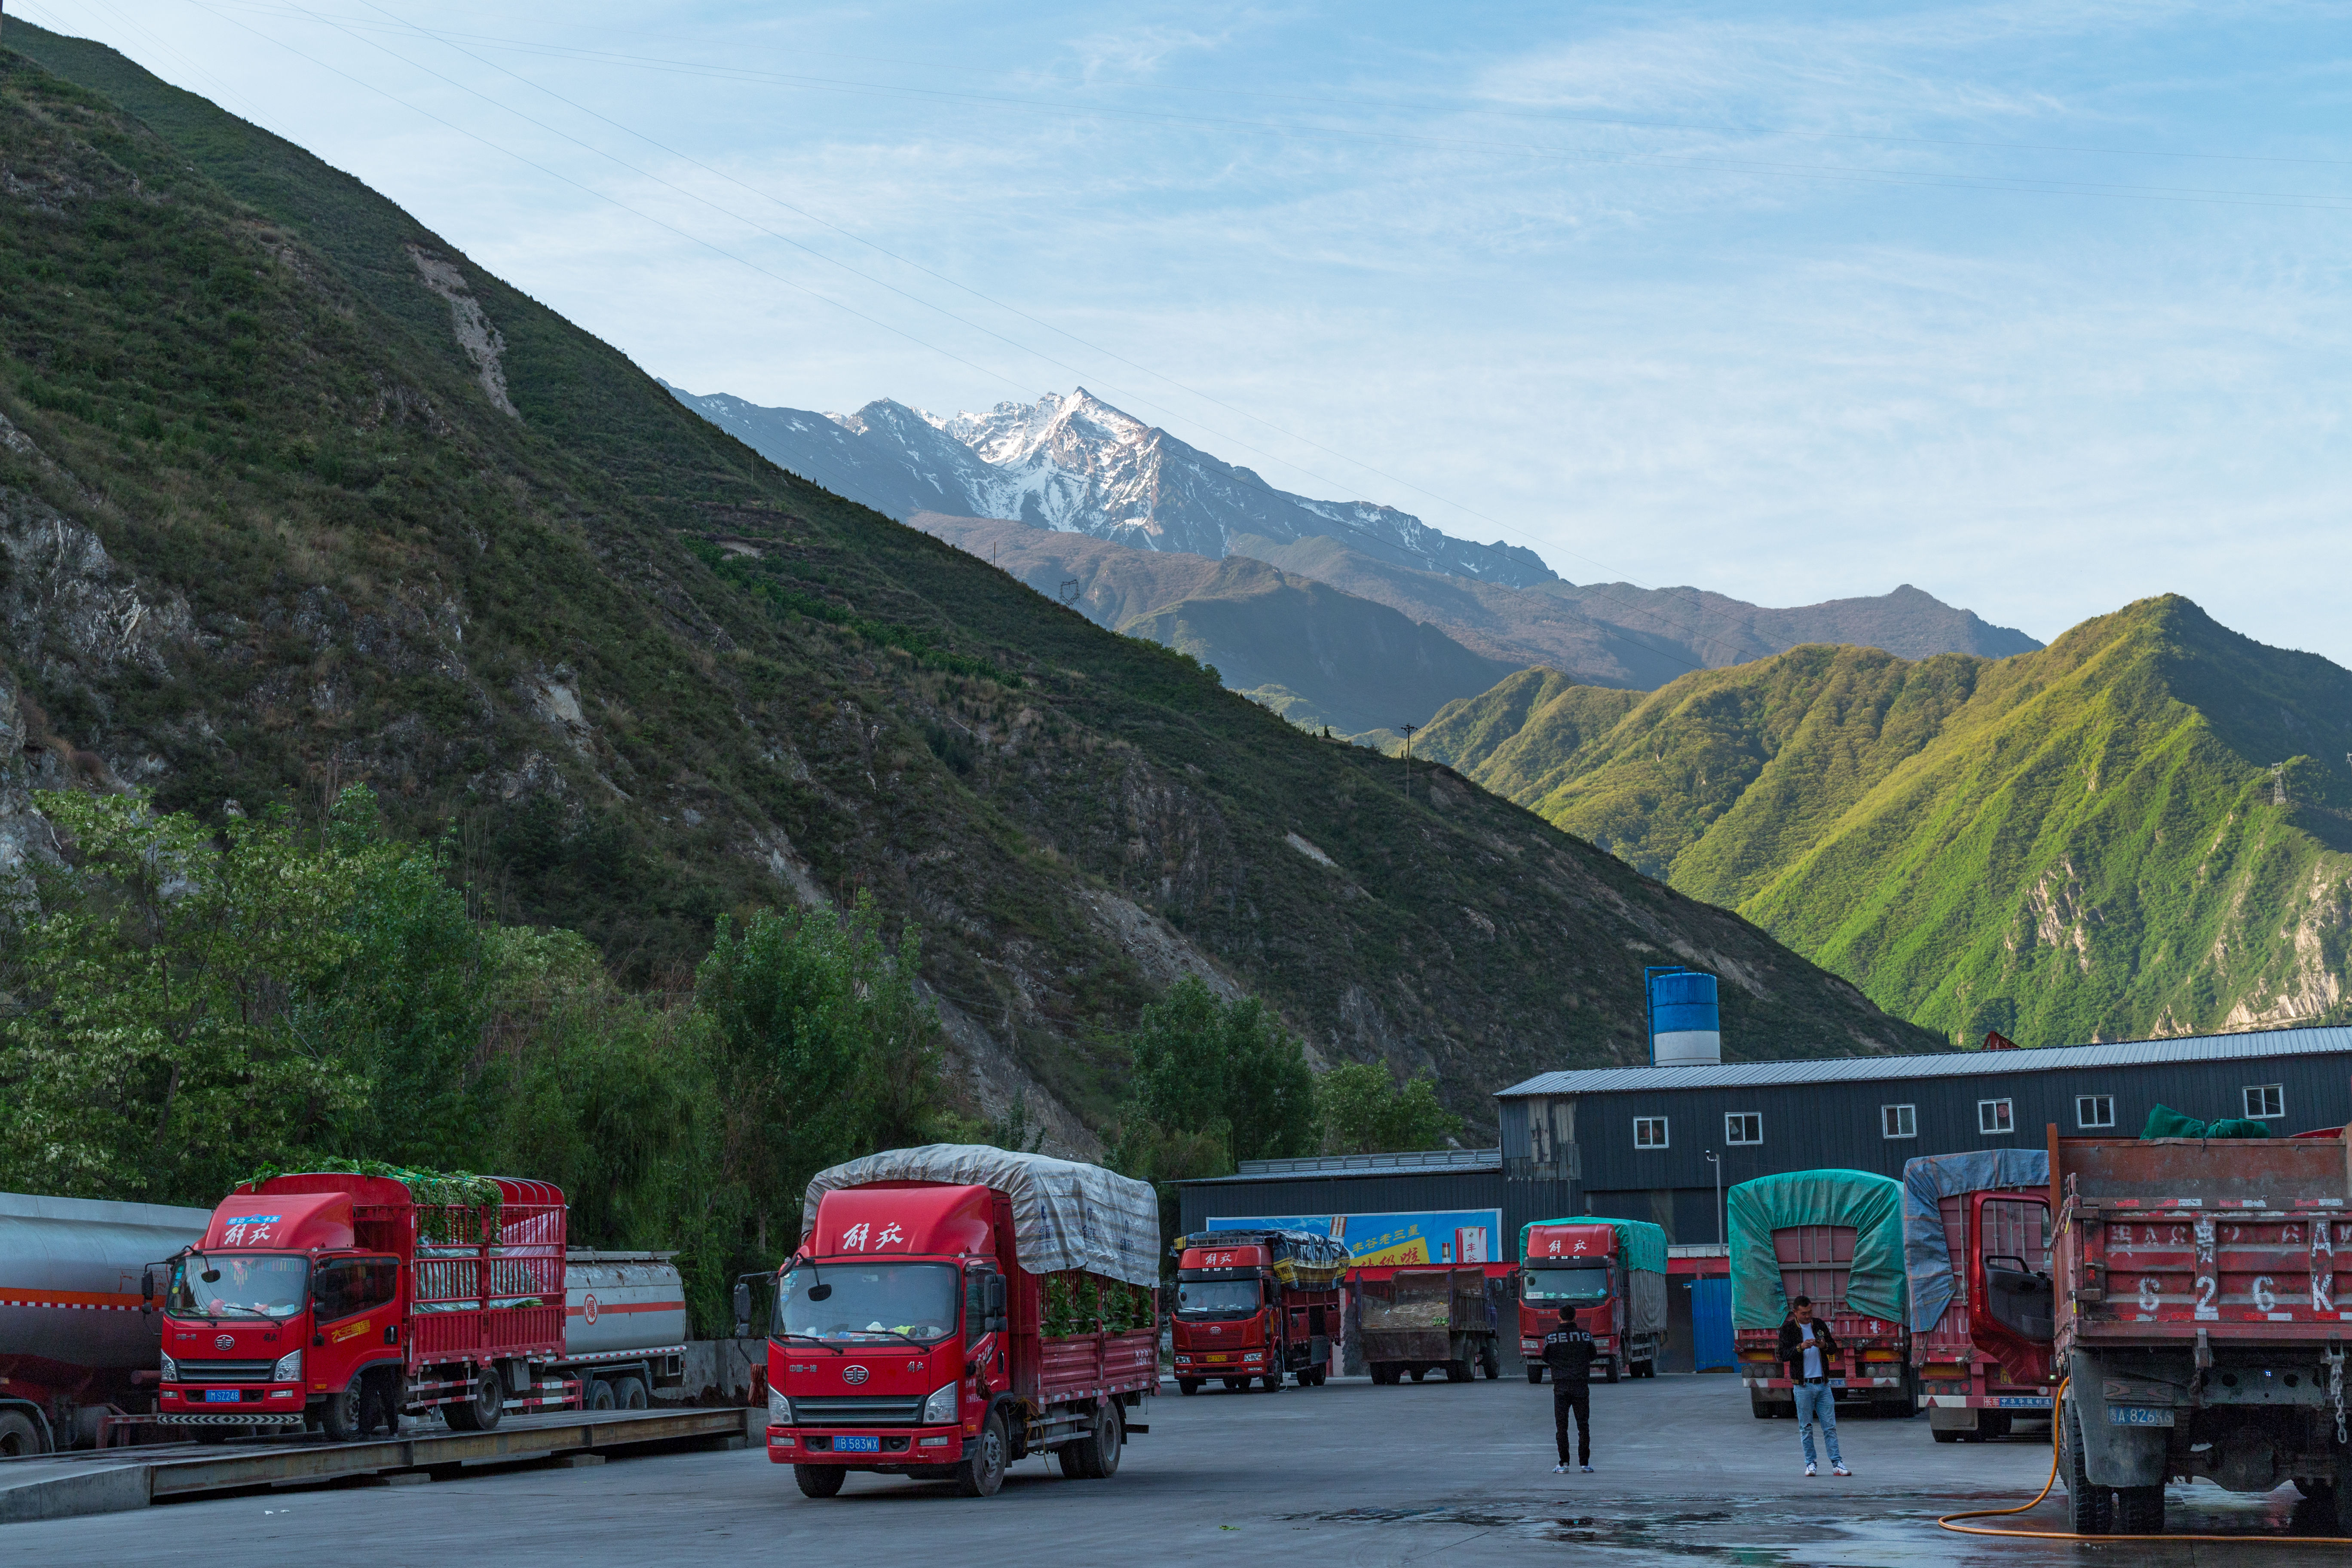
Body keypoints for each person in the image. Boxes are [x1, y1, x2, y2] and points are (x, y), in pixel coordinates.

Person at [1779, 1295, 1850, 1477]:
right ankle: (1810, 1464)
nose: (1808, 1316)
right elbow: (1783, 1355)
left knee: (1830, 1426)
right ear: (1795, 1312)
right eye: (1804, 1313)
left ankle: (1837, 1464)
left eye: (1810, 1312)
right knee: (1806, 1427)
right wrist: (1800, 1347)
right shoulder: (1787, 1330)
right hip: (1803, 1386)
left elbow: (1833, 1348)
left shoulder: (1818, 1325)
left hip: (1823, 1384)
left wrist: (1824, 1345)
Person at [1542, 1305, 1598, 1473]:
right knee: (1583, 1426)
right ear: (1575, 1318)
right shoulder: (1586, 1336)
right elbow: (1593, 1356)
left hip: (1560, 1387)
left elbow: (1545, 1358)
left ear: (1559, 1318)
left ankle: (1563, 1464)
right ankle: (1584, 1464)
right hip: (1581, 1385)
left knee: (1562, 1427)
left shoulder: (1551, 1338)